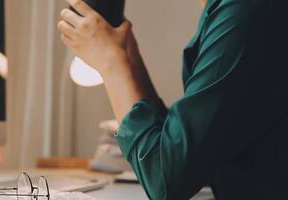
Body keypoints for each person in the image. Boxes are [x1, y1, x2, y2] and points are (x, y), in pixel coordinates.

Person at [58, 0, 288, 199]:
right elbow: (177, 147)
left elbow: (166, 179)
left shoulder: (245, 11)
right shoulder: (225, 11)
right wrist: (127, 54)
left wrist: (111, 61)